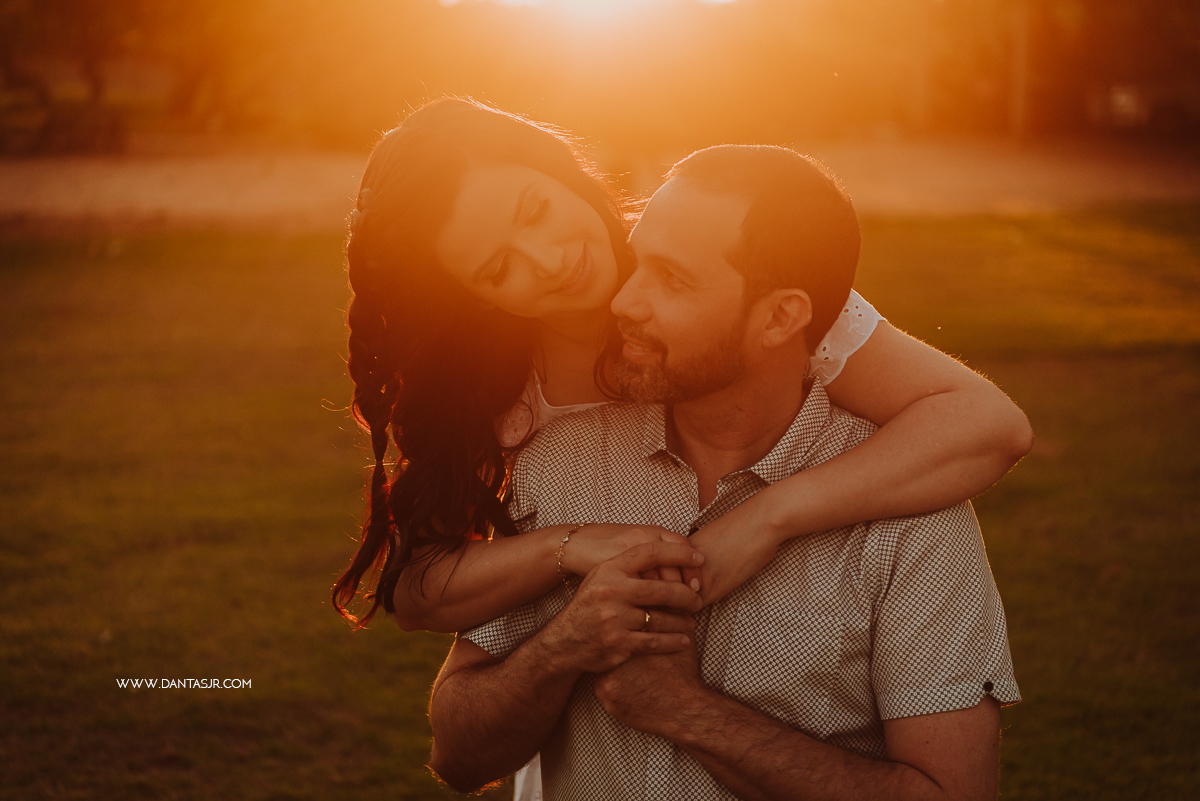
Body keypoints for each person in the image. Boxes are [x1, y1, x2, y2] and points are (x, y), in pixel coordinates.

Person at [329, 98, 1030, 798]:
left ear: (560, 169)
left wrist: (767, 517)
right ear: (474, 296)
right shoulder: (504, 398)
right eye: (496, 268)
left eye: (535, 210)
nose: (548, 260)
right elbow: (419, 593)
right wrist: (571, 547)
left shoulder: (722, 264)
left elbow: (989, 423)